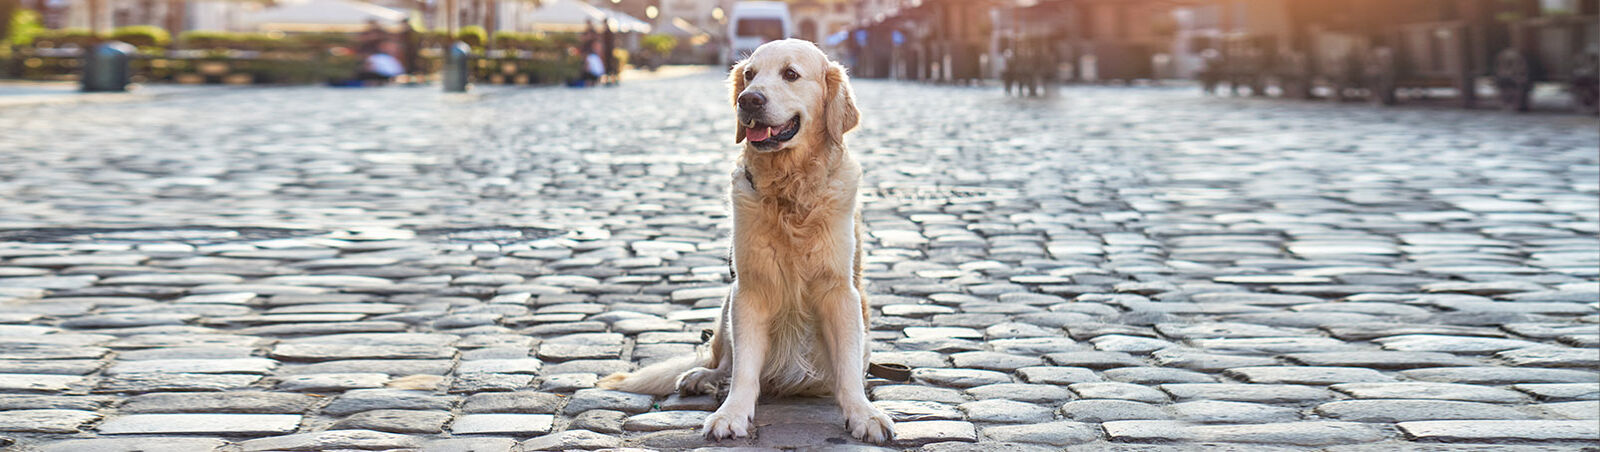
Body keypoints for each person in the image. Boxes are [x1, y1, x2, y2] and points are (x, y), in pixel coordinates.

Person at [601, 19, 618, 85]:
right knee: (608, 67)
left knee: (610, 66)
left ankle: (613, 80)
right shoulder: (606, 31)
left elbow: (611, 43)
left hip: (609, 52)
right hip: (607, 53)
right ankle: (609, 80)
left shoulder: (608, 32)